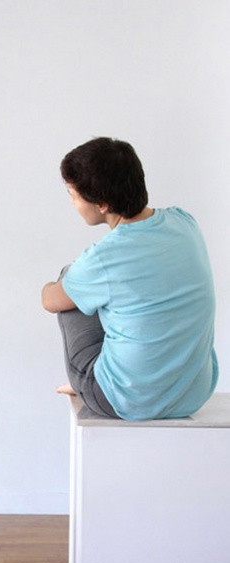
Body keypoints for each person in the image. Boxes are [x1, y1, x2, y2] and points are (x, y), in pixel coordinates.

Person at [41, 137, 218, 420]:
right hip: (193, 393)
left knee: (70, 277)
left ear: (102, 204)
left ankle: (91, 381)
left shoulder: (103, 258)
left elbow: (50, 301)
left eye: (73, 195)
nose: (73, 203)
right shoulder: (185, 222)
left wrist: (52, 285)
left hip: (126, 401)